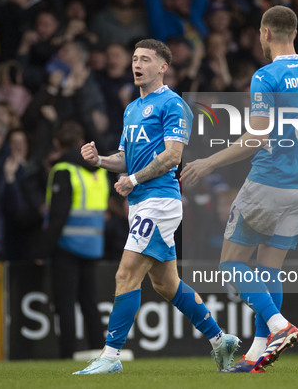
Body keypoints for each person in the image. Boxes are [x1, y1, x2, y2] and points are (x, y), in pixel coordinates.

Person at [181, 6, 298, 372]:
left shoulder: (266, 76)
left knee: (231, 262)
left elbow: (256, 137)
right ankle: (258, 352)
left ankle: (278, 326)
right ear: (295, 32)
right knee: (268, 268)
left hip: (267, 183)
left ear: (266, 34)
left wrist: (208, 162)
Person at [75, 39, 240, 375]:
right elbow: (125, 158)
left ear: (163, 67)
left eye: (146, 59)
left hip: (160, 202)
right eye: (135, 59)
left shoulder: (173, 105)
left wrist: (134, 180)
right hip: (140, 202)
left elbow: (173, 157)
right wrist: (100, 160)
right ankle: (220, 340)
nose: (138, 64)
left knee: (126, 274)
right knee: (166, 284)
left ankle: (110, 357)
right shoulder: (131, 108)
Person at [43, 121, 109, 358]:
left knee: (66, 303)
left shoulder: (63, 169)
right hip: (93, 245)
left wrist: (44, 249)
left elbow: (58, 216)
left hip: (67, 246)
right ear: (82, 143)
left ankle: (67, 352)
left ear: (57, 143)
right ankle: (99, 349)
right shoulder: (99, 171)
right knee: (90, 302)